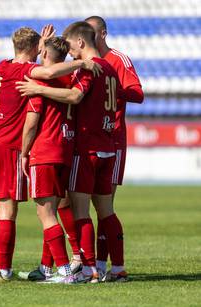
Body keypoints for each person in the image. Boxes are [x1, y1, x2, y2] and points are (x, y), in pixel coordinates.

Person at [0, 27, 99, 278]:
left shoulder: (0, 68)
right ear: (36, 50)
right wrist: (83, 63)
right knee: (8, 211)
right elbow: (46, 73)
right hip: (10, 148)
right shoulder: (29, 76)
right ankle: (5, 270)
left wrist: (41, 44)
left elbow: (31, 59)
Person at [15, 21, 122, 283]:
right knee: (106, 210)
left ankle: (88, 270)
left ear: (82, 43)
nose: (70, 52)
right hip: (107, 145)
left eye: (73, 47)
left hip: (85, 149)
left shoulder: (88, 69)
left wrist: (38, 89)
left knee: (80, 211)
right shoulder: (110, 68)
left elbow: (74, 96)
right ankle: (117, 268)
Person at [86, 15, 144, 282]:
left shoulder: (118, 60)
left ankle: (113, 266)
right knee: (97, 205)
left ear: (104, 34)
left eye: (93, 33)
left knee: (104, 205)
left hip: (114, 139)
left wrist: (110, 89)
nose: (90, 38)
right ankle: (99, 264)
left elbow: (137, 93)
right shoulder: (86, 62)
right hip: (91, 140)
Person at [16, 37, 77, 284]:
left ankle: (65, 271)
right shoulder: (69, 80)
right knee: (55, 209)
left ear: (46, 55)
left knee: (46, 214)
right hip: (65, 149)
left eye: (41, 51)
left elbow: (31, 123)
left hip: (45, 151)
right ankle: (47, 268)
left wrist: (23, 152)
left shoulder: (40, 81)